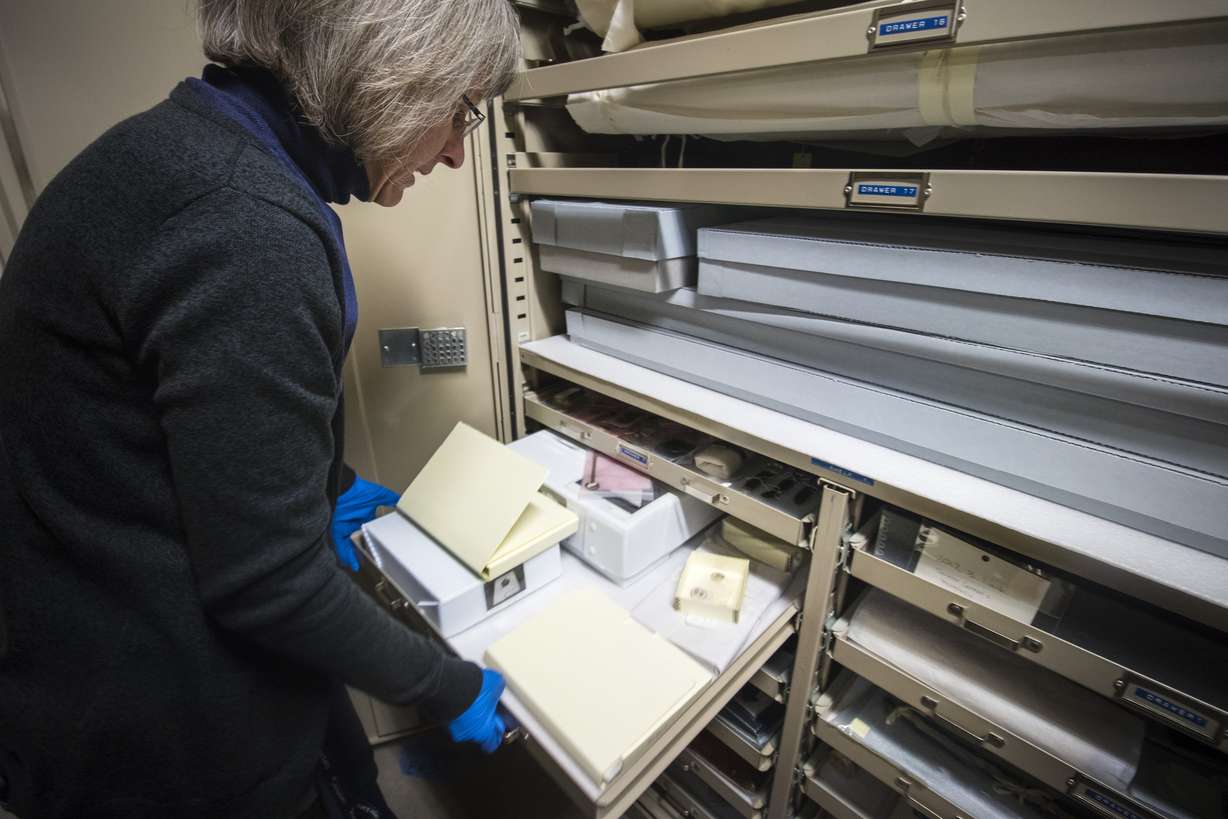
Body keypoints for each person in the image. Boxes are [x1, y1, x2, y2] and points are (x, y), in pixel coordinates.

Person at [0, 1, 522, 817]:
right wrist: (443, 681)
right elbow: (268, 583)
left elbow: (159, 420)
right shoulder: (246, 224)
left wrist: (319, 483)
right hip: (167, 733)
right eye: (459, 111)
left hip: (92, 668)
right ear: (393, 68)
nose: (458, 152)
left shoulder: (178, 150)